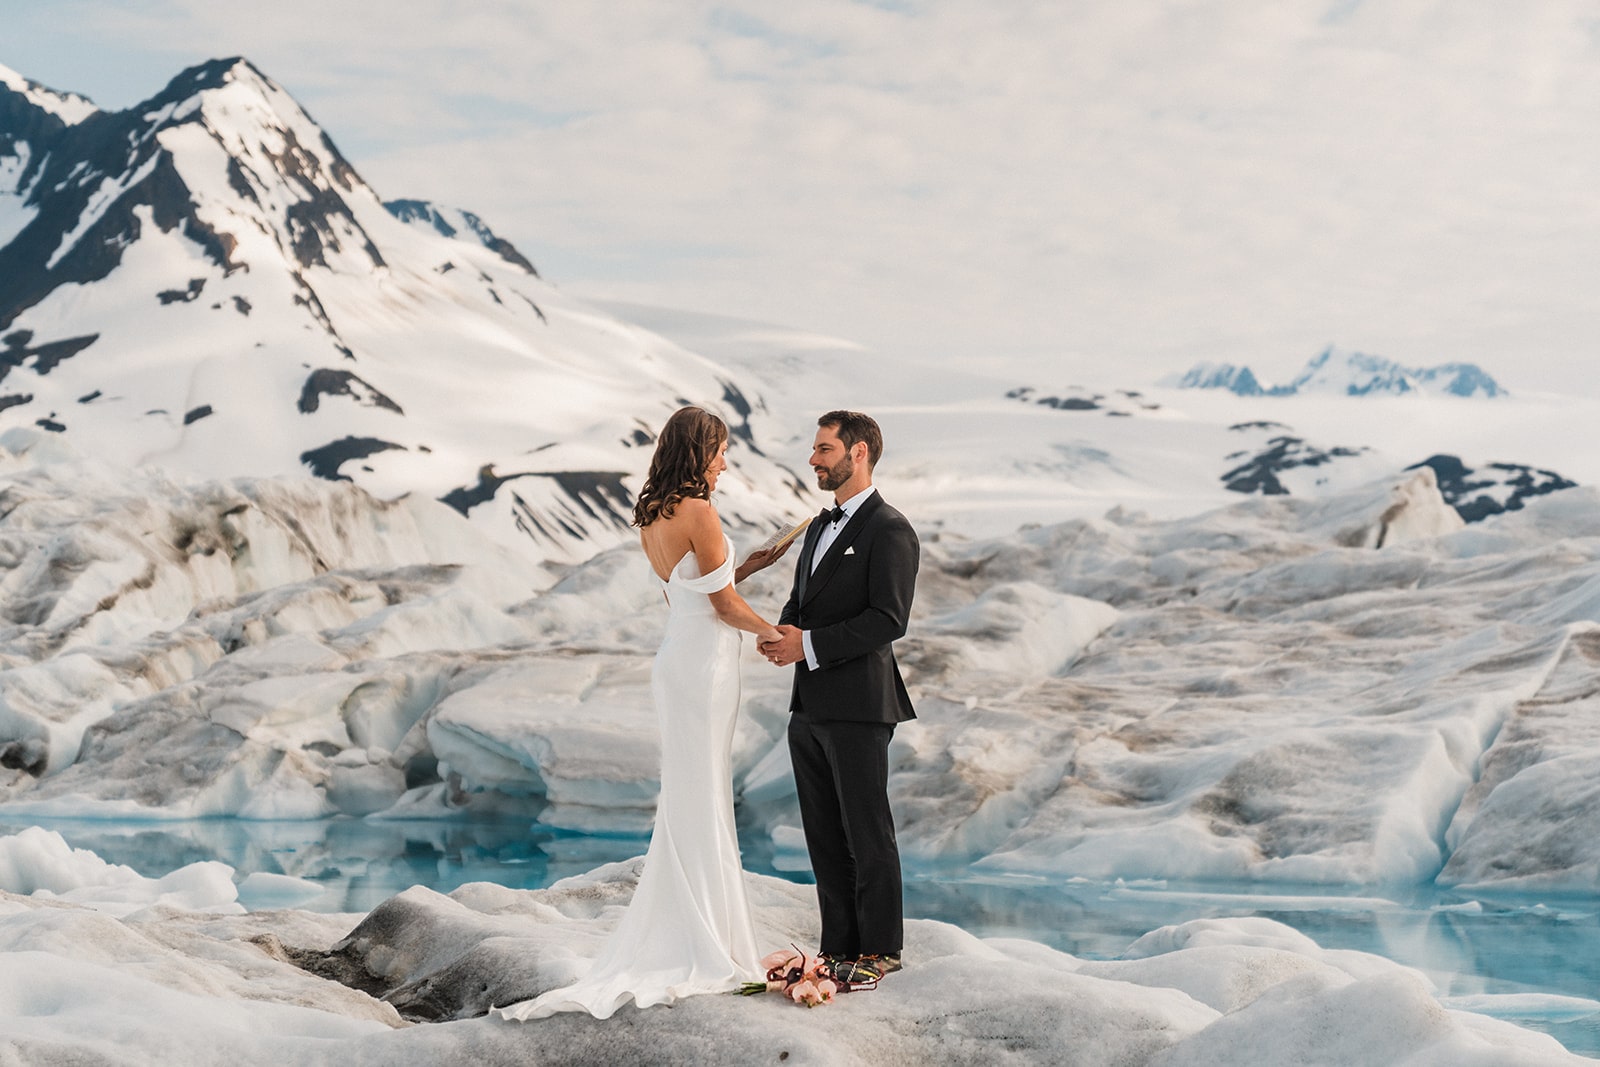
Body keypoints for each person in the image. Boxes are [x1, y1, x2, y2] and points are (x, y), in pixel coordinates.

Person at [497, 405, 791, 1020]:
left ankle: (692, 924)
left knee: (691, 791)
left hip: (677, 657)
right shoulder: (701, 511)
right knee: (703, 791)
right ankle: (706, 938)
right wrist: (772, 632)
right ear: (698, 451)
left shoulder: (655, 513)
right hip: (706, 661)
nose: (724, 461)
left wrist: (746, 568)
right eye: (719, 451)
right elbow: (723, 606)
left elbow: (683, 592)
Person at [758, 410, 919, 987]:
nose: (813, 458)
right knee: (823, 833)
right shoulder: (817, 526)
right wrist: (782, 636)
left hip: (859, 705)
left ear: (859, 454)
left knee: (866, 831)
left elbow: (888, 619)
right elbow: (799, 603)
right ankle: (838, 947)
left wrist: (811, 647)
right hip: (810, 705)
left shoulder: (890, 528)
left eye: (824, 448)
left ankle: (881, 951)